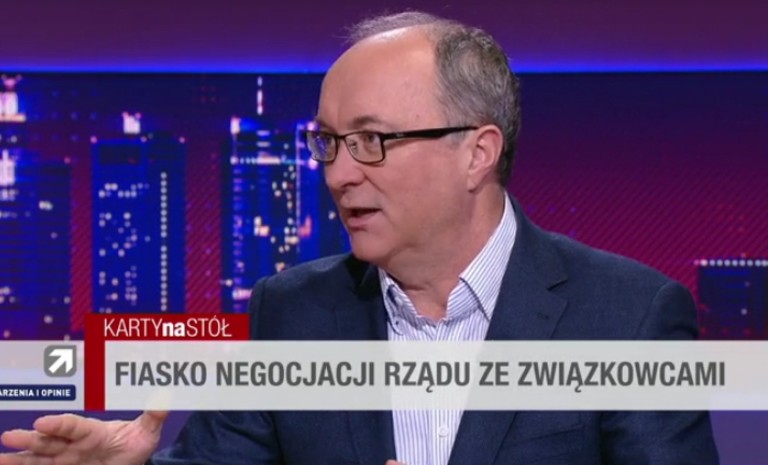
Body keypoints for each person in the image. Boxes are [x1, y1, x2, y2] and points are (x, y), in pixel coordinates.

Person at [0, 10, 719, 465]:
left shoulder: (627, 316)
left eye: (373, 140)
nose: (340, 174)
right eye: (329, 143)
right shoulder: (292, 313)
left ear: (477, 152)